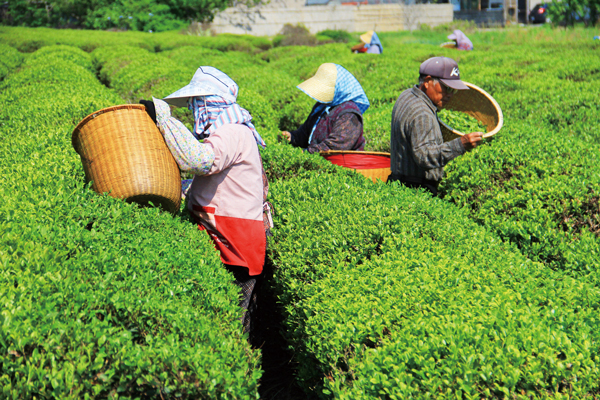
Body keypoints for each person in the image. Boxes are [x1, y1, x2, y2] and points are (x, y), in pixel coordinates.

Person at [140, 66, 271, 336]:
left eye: (197, 104)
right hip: (226, 232)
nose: (194, 111)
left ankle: (241, 368)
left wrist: (165, 120)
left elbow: (199, 161)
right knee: (229, 315)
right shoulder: (227, 132)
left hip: (235, 239)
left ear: (211, 104)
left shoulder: (233, 132)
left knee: (231, 320)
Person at [389, 56, 483, 196]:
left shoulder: (407, 95)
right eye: (446, 88)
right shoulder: (423, 114)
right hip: (416, 189)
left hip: (399, 182)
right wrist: (460, 144)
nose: (450, 95)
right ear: (427, 82)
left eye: (453, 90)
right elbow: (424, 156)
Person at [280, 63, 370, 154]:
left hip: (344, 165)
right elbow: (305, 132)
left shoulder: (349, 114)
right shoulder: (321, 107)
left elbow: (335, 146)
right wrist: (292, 137)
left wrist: (306, 153)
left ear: (338, 89)